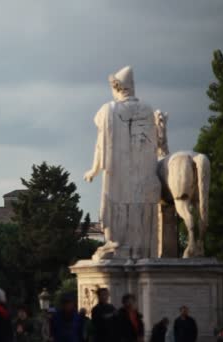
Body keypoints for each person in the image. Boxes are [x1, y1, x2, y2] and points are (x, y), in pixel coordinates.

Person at [84, 65, 162, 260]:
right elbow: (158, 143)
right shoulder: (147, 109)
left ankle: (115, 244)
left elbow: (100, 145)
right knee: (140, 209)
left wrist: (94, 169)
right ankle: (139, 249)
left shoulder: (108, 110)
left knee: (112, 208)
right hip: (143, 176)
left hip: (116, 176)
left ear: (116, 87)